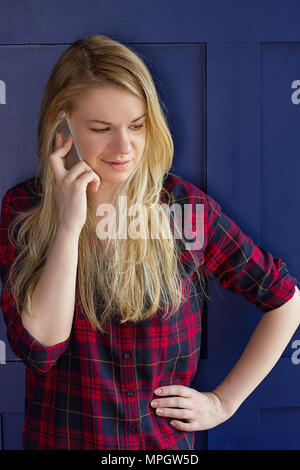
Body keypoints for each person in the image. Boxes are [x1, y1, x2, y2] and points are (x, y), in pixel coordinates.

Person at [0, 34, 299, 451]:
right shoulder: (22, 209)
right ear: (62, 128)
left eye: (137, 126)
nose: (125, 147)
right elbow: (41, 348)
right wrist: (70, 225)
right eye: (101, 129)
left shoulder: (186, 210)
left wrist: (222, 402)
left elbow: (286, 300)